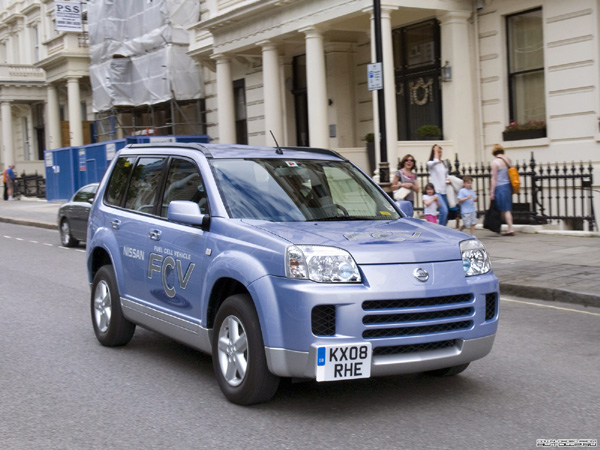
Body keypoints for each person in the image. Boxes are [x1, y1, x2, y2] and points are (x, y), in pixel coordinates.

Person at [490, 144, 514, 236]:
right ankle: (508, 227)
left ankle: (510, 228)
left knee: (503, 209)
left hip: (500, 187)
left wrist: (492, 192)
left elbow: (494, 178)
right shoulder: (508, 160)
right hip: (507, 186)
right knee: (506, 208)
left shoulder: (495, 162)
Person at [426, 144, 450, 225]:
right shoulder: (430, 163)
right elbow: (435, 161)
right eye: (438, 152)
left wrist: (448, 180)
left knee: (445, 213)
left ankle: (443, 228)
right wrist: (435, 150)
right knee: (444, 211)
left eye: (440, 152)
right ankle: (441, 230)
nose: (440, 153)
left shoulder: (443, 163)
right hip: (436, 191)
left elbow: (445, 175)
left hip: (444, 191)